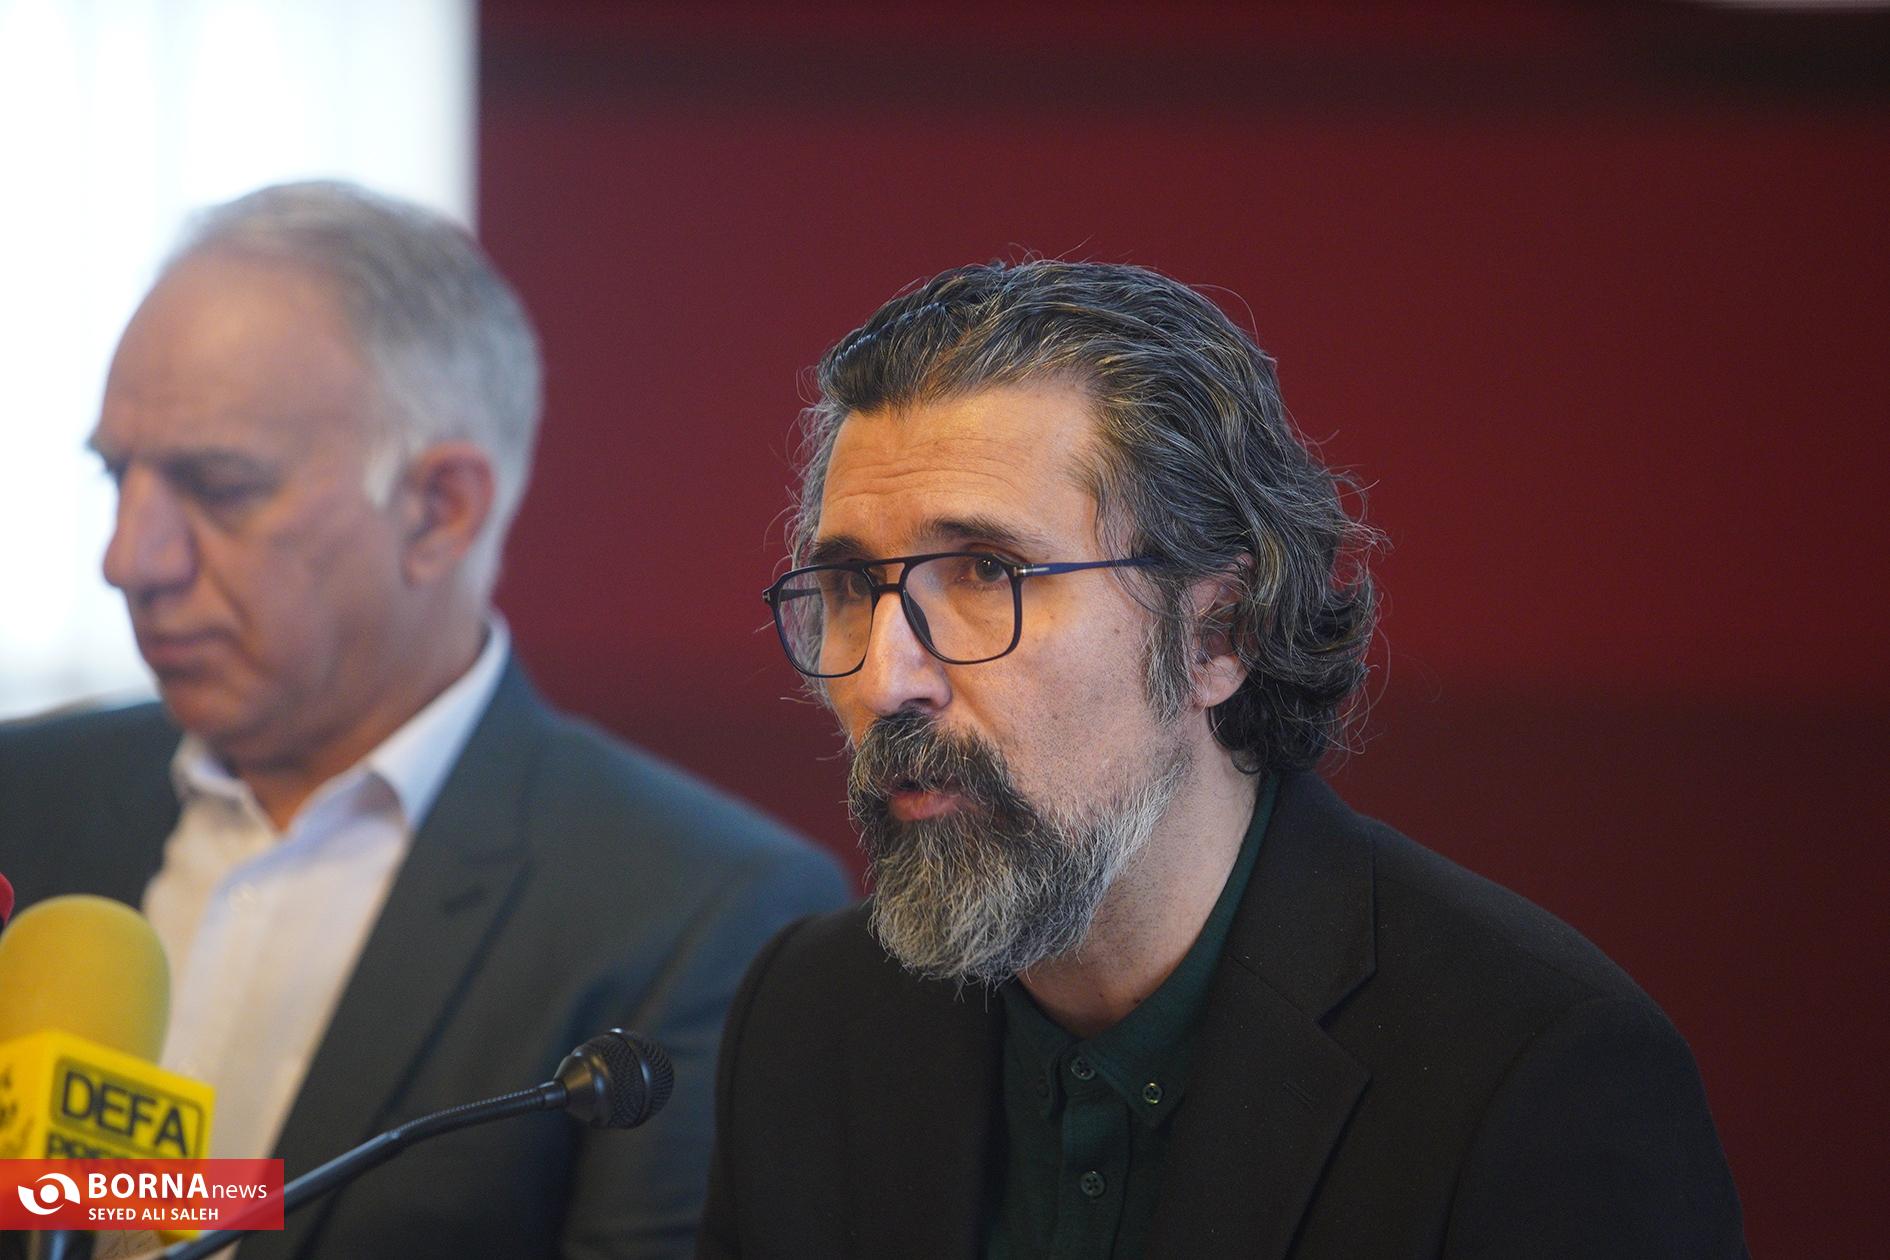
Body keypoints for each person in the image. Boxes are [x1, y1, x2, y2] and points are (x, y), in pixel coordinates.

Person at [698, 260, 1746, 1258]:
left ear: (1218, 633)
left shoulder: (1533, 1073)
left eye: (985, 573)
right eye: (850, 588)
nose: (887, 679)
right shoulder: (811, 1018)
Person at [0, 181, 849, 1260]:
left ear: (440, 510)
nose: (130, 559)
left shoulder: (696, 911)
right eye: (117, 476)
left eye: (217, 487)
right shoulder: (22, 798)